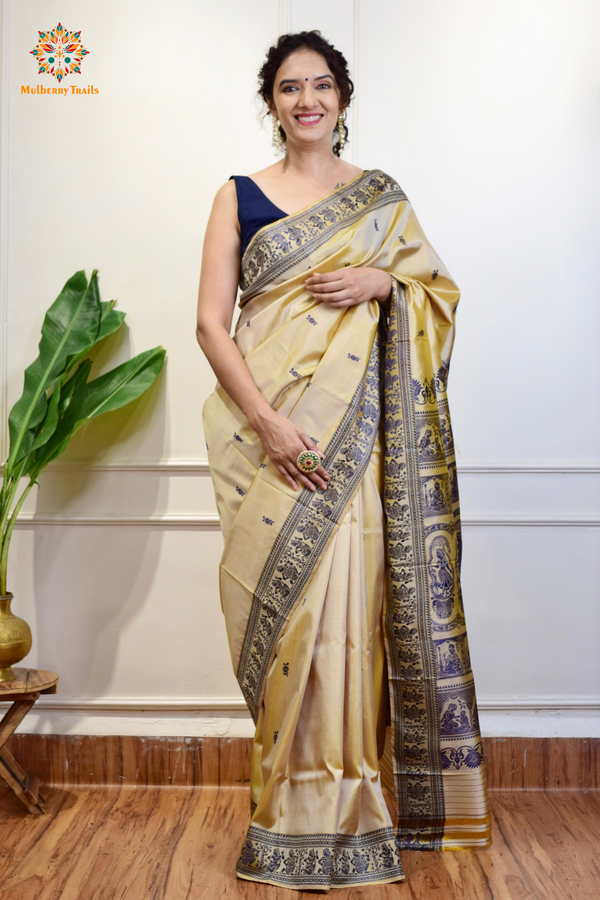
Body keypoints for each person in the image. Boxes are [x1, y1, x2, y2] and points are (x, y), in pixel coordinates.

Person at [196, 30, 491, 892]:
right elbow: (213, 324)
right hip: (268, 437)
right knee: (285, 619)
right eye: (290, 88)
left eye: (321, 85)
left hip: (353, 441)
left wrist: (386, 285)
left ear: (343, 99)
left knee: (349, 617)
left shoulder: (380, 200)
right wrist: (270, 425)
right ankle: (283, 810)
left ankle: (354, 804)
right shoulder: (237, 195)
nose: (307, 100)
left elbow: (437, 295)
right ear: (272, 102)